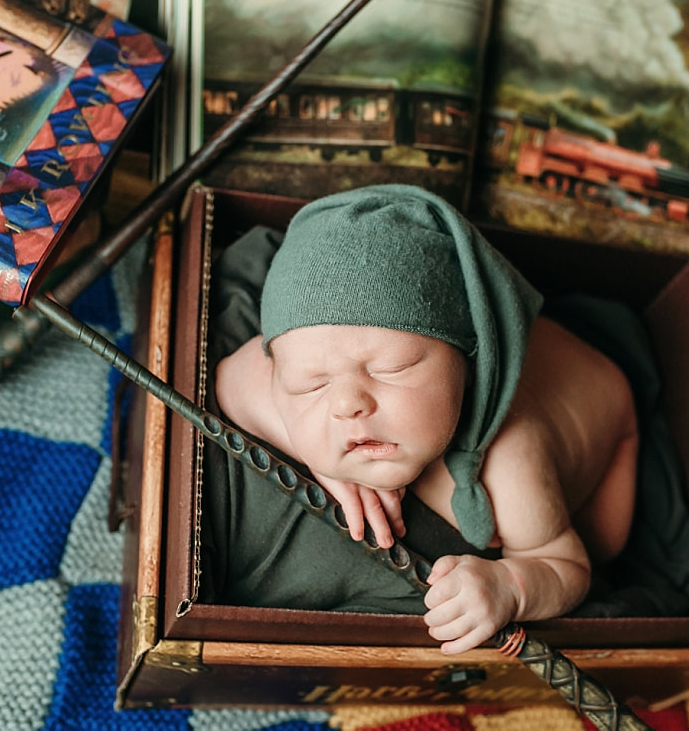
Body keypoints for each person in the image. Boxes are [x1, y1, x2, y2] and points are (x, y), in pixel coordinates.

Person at [213, 184, 639, 655]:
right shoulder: (303, 362)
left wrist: (510, 586)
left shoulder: (508, 464)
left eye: (389, 368)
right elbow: (233, 377)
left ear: (468, 360)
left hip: (610, 407)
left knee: (609, 541)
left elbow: (566, 564)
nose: (347, 405)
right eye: (311, 386)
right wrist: (324, 464)